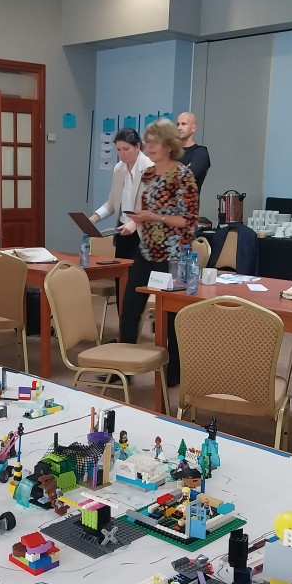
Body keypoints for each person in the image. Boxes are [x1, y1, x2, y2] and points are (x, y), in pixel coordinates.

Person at [120, 118, 200, 386]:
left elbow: (188, 220)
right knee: (130, 310)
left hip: (173, 255)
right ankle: (123, 368)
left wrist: (153, 216)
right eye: (148, 142)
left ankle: (174, 373)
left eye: (155, 142)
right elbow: (147, 210)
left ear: (169, 144)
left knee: (171, 316)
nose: (150, 147)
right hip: (147, 250)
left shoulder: (183, 175)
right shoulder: (148, 174)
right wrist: (139, 218)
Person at [89, 127, 152, 259]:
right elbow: (112, 202)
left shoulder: (149, 167)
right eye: (118, 150)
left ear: (137, 146)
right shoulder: (118, 169)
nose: (122, 154)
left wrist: (134, 223)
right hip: (123, 229)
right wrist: (95, 217)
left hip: (144, 232)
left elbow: (154, 207)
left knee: (138, 271)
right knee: (120, 270)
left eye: (126, 149)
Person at [176, 112, 210, 192]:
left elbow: (189, 177)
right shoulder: (172, 152)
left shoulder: (200, 153)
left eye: (184, 124)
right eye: (177, 124)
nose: (179, 128)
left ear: (193, 128)